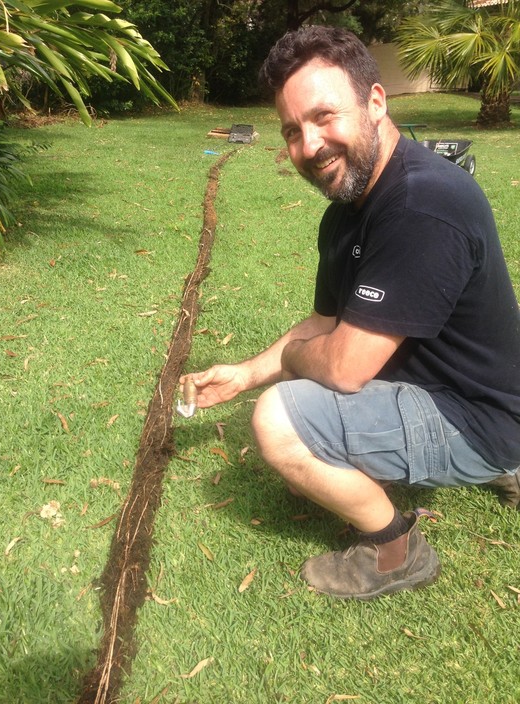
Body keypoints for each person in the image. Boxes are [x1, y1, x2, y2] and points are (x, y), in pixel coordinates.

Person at [180, 26, 520, 600]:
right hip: (451, 388)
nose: (309, 146)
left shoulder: (422, 203)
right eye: (293, 130)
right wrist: (244, 372)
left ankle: (396, 549)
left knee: (281, 423)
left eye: (324, 116)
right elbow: (324, 324)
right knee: (292, 402)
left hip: (479, 413)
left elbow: (342, 367)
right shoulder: (347, 212)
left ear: (376, 102)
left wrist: (287, 364)